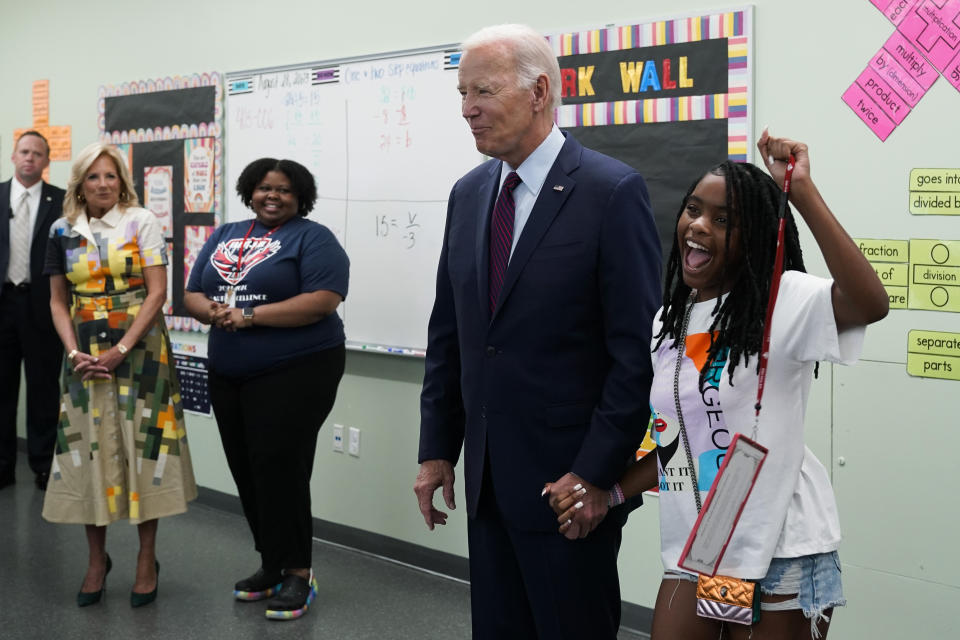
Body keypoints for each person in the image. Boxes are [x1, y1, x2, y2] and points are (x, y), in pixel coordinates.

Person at [552, 131, 889, 639]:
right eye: (693, 209)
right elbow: (678, 444)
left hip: (780, 543)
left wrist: (802, 195)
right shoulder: (670, 322)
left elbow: (870, 303)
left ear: (754, 234)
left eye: (723, 219)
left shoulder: (785, 301)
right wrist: (610, 493)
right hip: (701, 542)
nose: (698, 227)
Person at [413, 24, 661, 639]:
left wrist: (597, 474)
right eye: (462, 93)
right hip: (487, 481)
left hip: (568, 484)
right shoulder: (469, 195)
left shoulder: (610, 191)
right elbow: (452, 332)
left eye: (484, 91)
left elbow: (635, 354)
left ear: (540, 91)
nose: (468, 109)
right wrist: (436, 449)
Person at [183, 158, 348, 621]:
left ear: (300, 198)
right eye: (263, 188)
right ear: (249, 191)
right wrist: (213, 312)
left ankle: (298, 572)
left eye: (283, 190)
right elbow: (193, 290)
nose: (272, 196)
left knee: (281, 466)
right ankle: (271, 563)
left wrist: (250, 317)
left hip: (297, 368)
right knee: (248, 467)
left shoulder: (313, 238)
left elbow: (323, 300)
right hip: (229, 372)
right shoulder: (225, 233)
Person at [42, 142, 198, 608]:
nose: (103, 185)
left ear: (122, 181)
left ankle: (146, 559)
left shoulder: (141, 221)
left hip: (141, 350)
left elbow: (157, 293)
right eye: (94, 177)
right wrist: (74, 353)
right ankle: (96, 561)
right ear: (80, 184)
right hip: (83, 355)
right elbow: (56, 300)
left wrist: (122, 349)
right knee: (90, 452)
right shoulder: (61, 229)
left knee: (144, 452)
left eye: (111, 176)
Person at [0, 131, 65, 491]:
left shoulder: (62, 201)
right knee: (2, 390)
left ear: (46, 161)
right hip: (2, 305)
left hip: (43, 306)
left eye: (37, 154)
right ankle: (2, 464)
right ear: (13, 156)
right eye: (24, 152)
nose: (30, 159)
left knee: (43, 389)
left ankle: (43, 464)